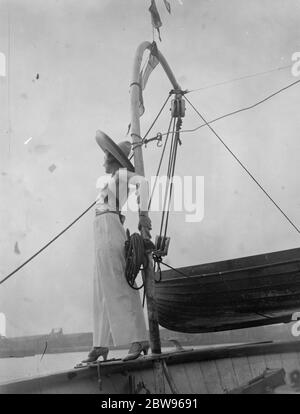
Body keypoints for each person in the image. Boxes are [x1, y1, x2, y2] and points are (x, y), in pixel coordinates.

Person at [82, 130, 151, 363]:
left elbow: (144, 182)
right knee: (101, 286)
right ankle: (100, 345)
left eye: (105, 156)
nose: (102, 159)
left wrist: (143, 216)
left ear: (112, 158)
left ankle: (139, 338)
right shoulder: (112, 180)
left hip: (110, 228)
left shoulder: (122, 175)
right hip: (102, 229)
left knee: (119, 282)